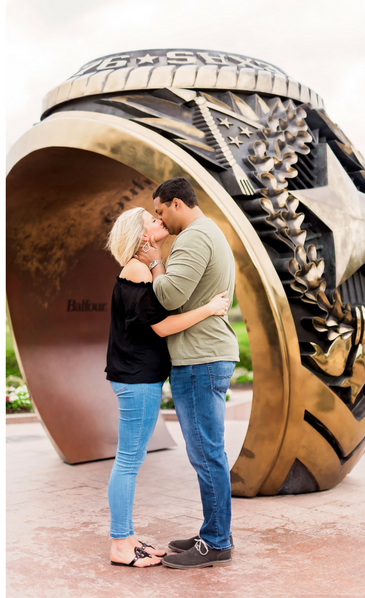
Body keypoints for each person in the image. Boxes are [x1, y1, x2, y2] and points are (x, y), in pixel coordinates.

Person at [105, 206, 229, 568]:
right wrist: (209, 308)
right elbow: (162, 326)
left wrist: (158, 260)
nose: (159, 222)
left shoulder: (143, 267)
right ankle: (119, 545)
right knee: (128, 461)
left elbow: (158, 307)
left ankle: (127, 537)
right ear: (142, 235)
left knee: (131, 459)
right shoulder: (135, 269)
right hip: (136, 378)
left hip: (137, 376)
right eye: (152, 221)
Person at [136, 176, 239, 569]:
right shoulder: (209, 231)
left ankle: (215, 542)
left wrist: (156, 262)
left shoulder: (195, 236)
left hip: (199, 359)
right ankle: (216, 532)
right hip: (205, 356)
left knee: (206, 453)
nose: (161, 219)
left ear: (177, 203)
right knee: (208, 451)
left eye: (161, 211)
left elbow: (169, 295)